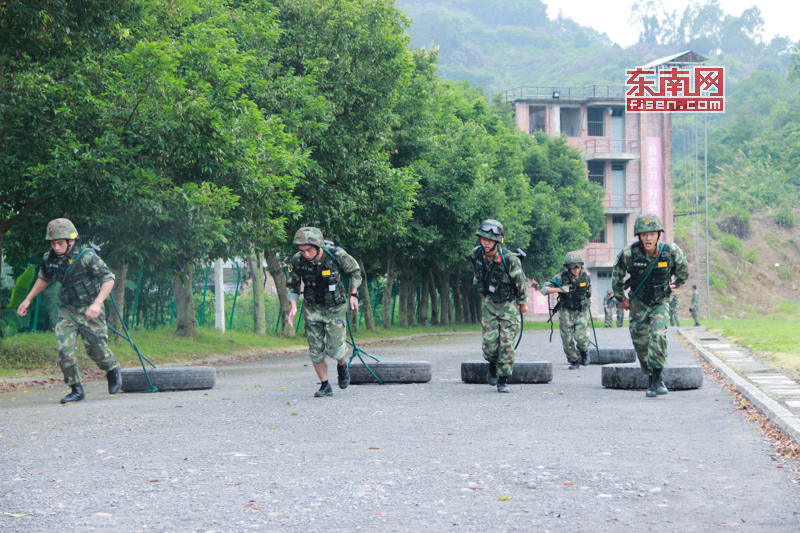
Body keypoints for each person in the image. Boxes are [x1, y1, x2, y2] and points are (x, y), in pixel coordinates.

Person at [16, 219, 121, 403]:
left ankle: (112, 368)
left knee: (97, 351)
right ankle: (76, 389)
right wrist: (27, 299)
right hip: (67, 309)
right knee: (64, 351)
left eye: (60, 243)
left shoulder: (87, 257)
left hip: (89, 307)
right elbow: (44, 278)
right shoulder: (50, 258)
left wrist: (97, 303)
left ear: (71, 240)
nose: (56, 247)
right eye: (53, 243)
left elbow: (109, 278)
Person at [612, 213, 689, 398]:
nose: (648, 238)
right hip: (638, 302)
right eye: (644, 234)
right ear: (638, 236)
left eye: (652, 234)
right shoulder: (629, 254)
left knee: (658, 335)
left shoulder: (670, 251)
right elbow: (617, 277)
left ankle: (657, 378)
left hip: (660, 300)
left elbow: (683, 270)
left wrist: (678, 283)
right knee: (640, 342)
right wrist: (621, 299)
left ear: (658, 235)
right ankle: (650, 376)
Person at [286, 227, 361, 397]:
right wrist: (294, 306)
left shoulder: (335, 254)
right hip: (312, 308)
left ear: (318, 246)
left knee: (335, 349)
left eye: (309, 250)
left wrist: (354, 294)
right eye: (302, 250)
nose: (306, 254)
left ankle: (342, 365)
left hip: (335, 307)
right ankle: (325, 385)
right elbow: (292, 284)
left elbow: (355, 271)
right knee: (315, 351)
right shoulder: (297, 260)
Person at [471, 219, 528, 393]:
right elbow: (477, 275)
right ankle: (492, 365)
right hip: (490, 302)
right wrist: (482, 293)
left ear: (497, 240)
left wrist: (522, 304)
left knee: (506, 343)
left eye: (490, 240)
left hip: (509, 304)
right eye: (484, 239)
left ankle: (503, 380)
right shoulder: (476, 254)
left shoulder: (510, 259)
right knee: (489, 344)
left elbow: (520, 282)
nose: (486, 243)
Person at [540, 252, 592, 369]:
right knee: (567, 339)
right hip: (566, 311)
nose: (576, 270)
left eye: (578, 267)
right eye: (573, 268)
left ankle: (584, 352)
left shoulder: (585, 276)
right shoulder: (560, 277)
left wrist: (589, 302)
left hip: (580, 311)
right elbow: (544, 289)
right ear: (568, 267)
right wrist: (560, 289)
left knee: (582, 338)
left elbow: (589, 290)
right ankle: (574, 360)